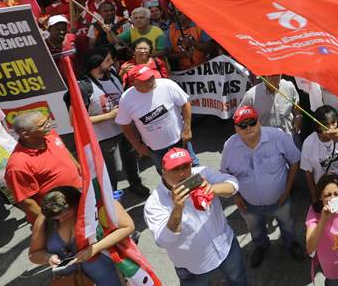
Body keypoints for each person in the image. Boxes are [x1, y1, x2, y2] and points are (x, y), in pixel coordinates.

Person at [144, 148, 247, 285]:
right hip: (192, 265)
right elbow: (163, 241)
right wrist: (177, 209)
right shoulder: (154, 203)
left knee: (238, 278)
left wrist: (213, 189)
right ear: (163, 172)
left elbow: (233, 184)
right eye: (175, 169)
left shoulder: (203, 174)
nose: (182, 173)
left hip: (226, 245)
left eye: (185, 166)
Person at [220, 105, 306, 268]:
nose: (248, 128)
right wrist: (236, 196)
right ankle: (261, 246)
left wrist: (287, 191)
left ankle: (291, 244)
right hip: (248, 203)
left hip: (280, 199)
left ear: (259, 122)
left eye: (252, 122)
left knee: (287, 224)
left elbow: (295, 162)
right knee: (255, 229)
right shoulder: (229, 147)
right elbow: (225, 173)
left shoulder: (278, 137)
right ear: (236, 128)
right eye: (243, 125)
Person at [72, 48, 147, 196]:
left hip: (125, 128)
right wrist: (109, 115)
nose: (111, 62)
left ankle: (135, 184)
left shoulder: (112, 74)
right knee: (111, 168)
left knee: (131, 158)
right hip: (105, 136)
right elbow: (77, 120)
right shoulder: (83, 87)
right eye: (107, 60)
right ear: (95, 64)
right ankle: (111, 197)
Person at [28, 186, 134, 285]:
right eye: (56, 219)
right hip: (72, 281)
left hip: (109, 278)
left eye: (66, 214)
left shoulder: (95, 207)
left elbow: (128, 226)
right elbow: (33, 254)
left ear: (77, 203)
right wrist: (48, 257)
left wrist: (95, 248)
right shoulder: (45, 218)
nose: (61, 220)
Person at [3, 112, 81, 221]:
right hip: (62, 214)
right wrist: (52, 222)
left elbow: (64, 150)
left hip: (80, 196)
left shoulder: (50, 134)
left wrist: (78, 168)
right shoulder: (17, 166)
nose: (49, 125)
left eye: (47, 121)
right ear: (25, 134)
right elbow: (26, 202)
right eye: (42, 125)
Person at [115, 65, 193, 173]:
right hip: (156, 149)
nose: (152, 81)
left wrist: (187, 128)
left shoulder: (167, 85)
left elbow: (185, 104)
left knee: (189, 169)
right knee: (166, 174)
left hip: (180, 140)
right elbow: (124, 124)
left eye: (151, 77)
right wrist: (137, 146)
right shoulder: (126, 99)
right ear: (134, 83)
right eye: (146, 80)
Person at [301, 106, 338, 203]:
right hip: (325, 188)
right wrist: (314, 195)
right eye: (326, 124)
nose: (331, 128)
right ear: (317, 126)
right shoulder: (308, 144)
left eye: (333, 123)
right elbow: (308, 172)